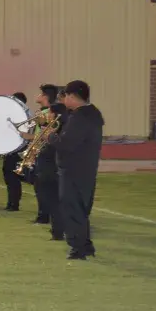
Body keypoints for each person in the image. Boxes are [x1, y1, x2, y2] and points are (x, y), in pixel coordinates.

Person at [47, 80, 104, 260]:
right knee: (81, 210)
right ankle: (86, 245)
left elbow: (66, 144)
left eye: (65, 96)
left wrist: (51, 136)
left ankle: (77, 248)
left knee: (72, 209)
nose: (64, 101)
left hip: (73, 170)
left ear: (72, 96)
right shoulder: (93, 114)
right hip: (86, 169)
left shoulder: (80, 117)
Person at [22, 84, 59, 224]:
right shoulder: (43, 112)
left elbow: (46, 135)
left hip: (45, 153)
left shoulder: (49, 113)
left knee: (43, 186)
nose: (37, 96)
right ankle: (45, 214)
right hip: (39, 151)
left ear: (45, 96)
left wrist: (28, 137)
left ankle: (44, 216)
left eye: (40, 94)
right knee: (39, 185)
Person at [37, 103, 67, 241]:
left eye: (50, 112)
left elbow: (54, 147)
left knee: (55, 202)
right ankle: (58, 229)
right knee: (54, 202)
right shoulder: (57, 127)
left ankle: (58, 231)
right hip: (51, 168)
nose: (47, 115)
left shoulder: (59, 128)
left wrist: (46, 137)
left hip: (52, 168)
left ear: (55, 114)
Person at [2, 92, 31, 212]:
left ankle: (13, 204)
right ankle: (12, 202)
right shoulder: (20, 114)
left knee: (13, 177)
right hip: (12, 150)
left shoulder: (25, 115)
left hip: (18, 150)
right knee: (10, 177)